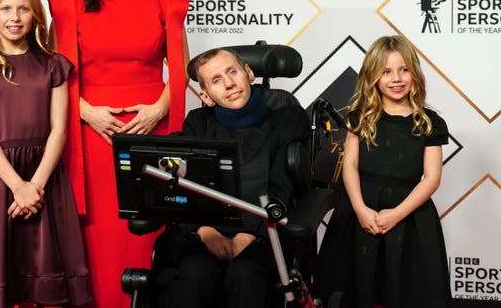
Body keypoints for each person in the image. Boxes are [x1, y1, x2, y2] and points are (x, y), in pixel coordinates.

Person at [46, 0, 190, 308]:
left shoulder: (168, 0)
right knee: (99, 236)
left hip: (151, 133)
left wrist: (160, 109)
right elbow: (54, 78)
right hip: (91, 137)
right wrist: (86, 112)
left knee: (145, 234)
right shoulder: (68, 1)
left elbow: (179, 70)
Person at [0, 0, 91, 308]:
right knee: (1, 263)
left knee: (48, 266)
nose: (14, 18)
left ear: (36, 15)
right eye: (5, 9)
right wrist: (18, 186)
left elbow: (59, 129)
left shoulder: (53, 65)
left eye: (23, 9)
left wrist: (35, 186)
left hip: (45, 174)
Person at [159, 48, 310, 308]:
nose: (229, 84)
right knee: (195, 272)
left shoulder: (288, 117)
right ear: (206, 96)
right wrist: (203, 231)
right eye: (216, 80)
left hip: (265, 232)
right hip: (206, 229)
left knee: (245, 273)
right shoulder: (198, 123)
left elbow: (282, 186)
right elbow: (188, 186)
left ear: (248, 73)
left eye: (233, 72)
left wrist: (251, 235)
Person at [314, 35, 451, 307]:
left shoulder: (430, 122)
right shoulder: (361, 116)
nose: (396, 78)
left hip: (410, 217)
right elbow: (350, 165)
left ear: (415, 73)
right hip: (361, 212)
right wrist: (360, 209)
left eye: (404, 70)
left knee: (407, 292)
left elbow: (432, 178)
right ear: (372, 76)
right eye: (386, 71)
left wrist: (397, 214)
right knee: (357, 288)